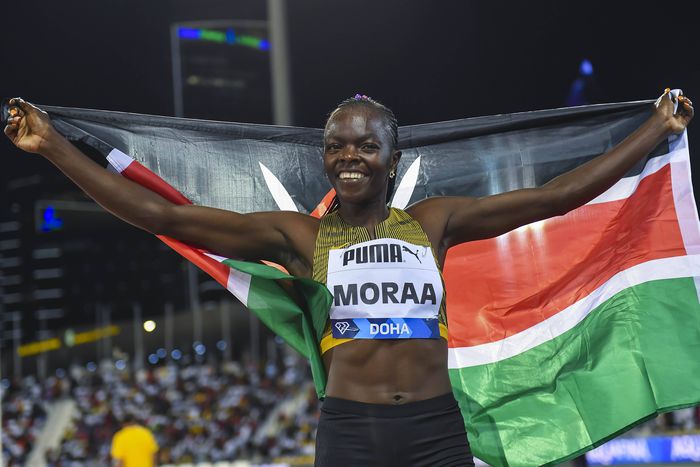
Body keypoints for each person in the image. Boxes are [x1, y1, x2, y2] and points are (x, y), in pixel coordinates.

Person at [4, 89, 693, 466]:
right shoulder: (298, 236)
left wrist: (654, 130)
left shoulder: (434, 222)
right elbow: (160, 214)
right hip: (350, 434)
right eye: (336, 145)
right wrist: (54, 145)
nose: (349, 155)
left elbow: (555, 196)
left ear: (393, 155)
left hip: (435, 431)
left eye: (366, 143)